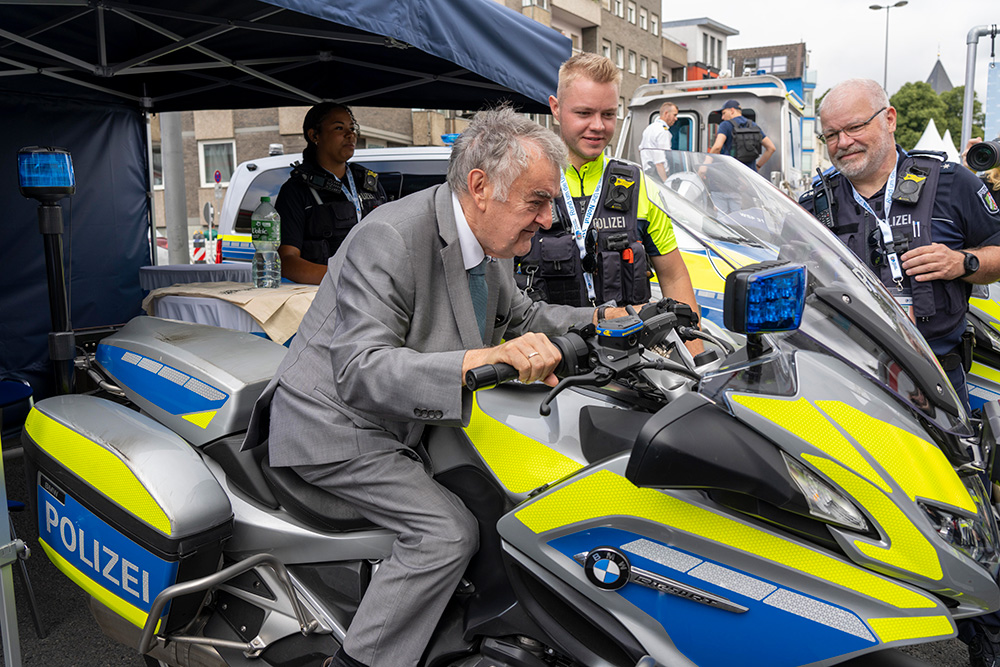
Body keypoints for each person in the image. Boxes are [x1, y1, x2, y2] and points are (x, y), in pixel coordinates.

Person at [255, 106, 625, 667]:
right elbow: (360, 368)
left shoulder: (490, 242)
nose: (547, 220)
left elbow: (522, 319)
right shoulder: (389, 237)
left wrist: (611, 321)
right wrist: (480, 358)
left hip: (409, 419)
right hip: (337, 426)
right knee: (445, 534)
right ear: (480, 186)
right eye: (537, 201)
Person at [800, 78, 1000, 416]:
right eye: (831, 135)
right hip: (845, 380)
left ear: (889, 119)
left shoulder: (951, 182)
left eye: (854, 127)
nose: (843, 142)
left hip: (937, 379)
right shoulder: (814, 206)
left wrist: (963, 263)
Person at [516, 53, 700, 333]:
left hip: (628, 363)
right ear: (555, 108)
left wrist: (696, 358)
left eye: (608, 114)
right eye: (584, 113)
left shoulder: (640, 186)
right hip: (549, 365)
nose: (598, 126)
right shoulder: (521, 183)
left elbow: (674, 276)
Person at [274, 102, 387, 284]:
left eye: (352, 128)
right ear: (314, 136)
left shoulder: (369, 183)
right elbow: (286, 261)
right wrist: (345, 279)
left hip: (375, 293)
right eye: (339, 128)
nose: (350, 135)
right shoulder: (296, 190)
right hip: (322, 297)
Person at [708, 99, 776, 173]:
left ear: (732, 110)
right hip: (750, 175)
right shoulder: (753, 125)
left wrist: (706, 166)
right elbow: (771, 148)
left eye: (724, 113)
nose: (722, 117)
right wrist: (758, 166)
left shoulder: (725, 125)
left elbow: (717, 147)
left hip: (731, 174)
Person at [638, 101, 678, 181]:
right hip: (658, 175)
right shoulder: (663, 132)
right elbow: (659, 163)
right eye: (674, 115)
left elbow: (640, 150)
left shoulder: (649, 128)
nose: (676, 118)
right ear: (666, 113)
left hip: (648, 173)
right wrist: (665, 182)